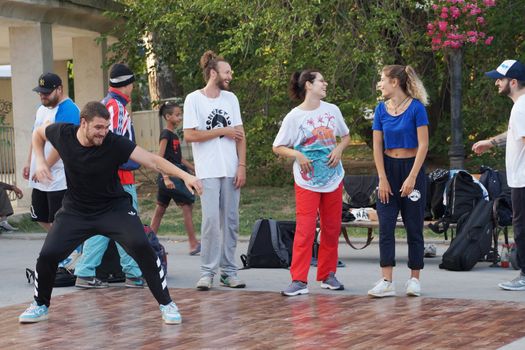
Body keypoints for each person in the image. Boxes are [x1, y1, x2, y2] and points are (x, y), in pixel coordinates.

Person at [18, 101, 202, 325]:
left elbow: (153, 160)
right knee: (47, 256)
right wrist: (40, 162)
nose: (103, 133)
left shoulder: (114, 143)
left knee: (142, 246)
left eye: (106, 127)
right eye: (98, 128)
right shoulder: (63, 133)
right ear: (83, 123)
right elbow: (38, 134)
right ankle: (40, 305)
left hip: (114, 209)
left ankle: (166, 304)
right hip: (76, 211)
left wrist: (186, 176)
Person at [273, 69, 350, 296]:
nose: (325, 84)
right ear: (308, 85)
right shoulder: (294, 117)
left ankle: (327, 275)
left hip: (333, 179)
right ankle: (298, 280)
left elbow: (345, 136)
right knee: (305, 230)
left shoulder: (332, 111)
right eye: (321, 81)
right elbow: (277, 146)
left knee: (331, 228)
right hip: (307, 182)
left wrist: (338, 148)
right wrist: (297, 155)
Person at [74, 64, 144, 289]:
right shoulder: (114, 108)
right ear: (129, 84)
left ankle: (85, 272)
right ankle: (133, 273)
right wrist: (130, 162)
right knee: (129, 224)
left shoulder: (110, 105)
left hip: (111, 177)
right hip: (119, 179)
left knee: (104, 227)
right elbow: (108, 144)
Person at [183, 50, 246, 291]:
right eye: (226, 72)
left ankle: (229, 271)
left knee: (231, 221)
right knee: (210, 221)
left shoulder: (231, 99)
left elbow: (240, 136)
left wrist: (241, 165)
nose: (230, 76)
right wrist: (222, 131)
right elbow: (190, 135)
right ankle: (207, 272)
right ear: (213, 73)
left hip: (230, 170)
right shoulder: (194, 99)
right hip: (207, 171)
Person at [368, 65, 429, 298]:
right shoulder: (380, 110)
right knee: (386, 226)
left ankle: (414, 280)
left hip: (412, 168)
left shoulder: (416, 108)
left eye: (382, 79)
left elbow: (423, 145)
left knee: (414, 226)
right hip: (388, 170)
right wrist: (382, 178)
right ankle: (387, 281)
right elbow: (377, 145)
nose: (380, 84)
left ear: (395, 82)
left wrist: (413, 176)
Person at [475, 59, 525, 291]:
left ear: (513, 82)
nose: (497, 82)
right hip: (520, 178)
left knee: (521, 226)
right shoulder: (521, 106)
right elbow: (515, 133)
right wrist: (491, 142)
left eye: (501, 79)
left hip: (523, 180)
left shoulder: (521, 106)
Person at [23, 73, 80, 231]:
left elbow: (63, 145)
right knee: (40, 216)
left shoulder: (69, 109)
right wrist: (29, 162)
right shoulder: (42, 109)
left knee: (60, 219)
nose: (43, 95)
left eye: (47, 92)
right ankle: (61, 248)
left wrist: (45, 166)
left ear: (59, 89)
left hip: (60, 176)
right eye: (40, 92)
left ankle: (68, 250)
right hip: (41, 173)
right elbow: (36, 135)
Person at [150, 101, 200, 255]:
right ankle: (193, 244)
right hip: (170, 176)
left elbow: (179, 159)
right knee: (187, 205)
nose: (180, 118)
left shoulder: (174, 135)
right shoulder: (166, 134)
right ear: (168, 116)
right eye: (177, 115)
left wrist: (194, 169)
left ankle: (148, 244)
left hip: (173, 174)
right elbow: (160, 157)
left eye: (180, 115)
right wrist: (165, 177)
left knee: (160, 209)